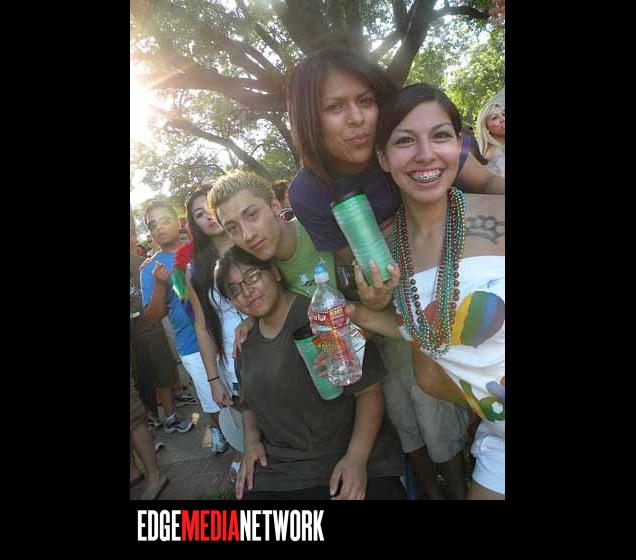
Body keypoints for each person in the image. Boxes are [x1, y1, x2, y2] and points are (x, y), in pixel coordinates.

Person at [286, 47, 478, 498]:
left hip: (452, 287)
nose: (356, 118)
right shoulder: (309, 192)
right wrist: (370, 296)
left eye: (365, 101)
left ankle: (457, 484)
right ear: (310, 119)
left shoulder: (408, 138)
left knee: (437, 410)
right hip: (389, 311)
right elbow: (350, 264)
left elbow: (484, 184)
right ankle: (428, 489)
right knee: (402, 409)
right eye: (335, 107)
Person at [347, 83, 505, 499]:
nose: (425, 154)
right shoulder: (384, 255)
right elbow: (425, 340)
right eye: (404, 141)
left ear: (459, 145)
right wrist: (360, 312)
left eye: (440, 136)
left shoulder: (499, 212)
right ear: (383, 158)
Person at [214, 246, 405, 500]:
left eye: (252, 276)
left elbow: (369, 391)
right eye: (235, 290)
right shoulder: (245, 341)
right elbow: (249, 403)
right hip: (282, 472)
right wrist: (251, 441)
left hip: (349, 460)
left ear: (275, 273)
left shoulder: (324, 315)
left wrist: (356, 458)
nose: (247, 291)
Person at [141, 200, 223, 437]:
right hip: (191, 344)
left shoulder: (202, 248)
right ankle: (220, 433)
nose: (159, 227)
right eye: (153, 225)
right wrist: (159, 285)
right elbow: (153, 317)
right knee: (213, 402)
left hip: (223, 331)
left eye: (165, 220)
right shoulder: (150, 268)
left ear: (179, 222)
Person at [183, 186, 244, 465]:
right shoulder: (195, 271)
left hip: (276, 342)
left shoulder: (251, 244)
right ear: (194, 224)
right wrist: (213, 380)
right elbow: (202, 327)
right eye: (199, 214)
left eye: (210, 208)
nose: (208, 216)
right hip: (233, 360)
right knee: (246, 420)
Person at [130, 225, 189, 436]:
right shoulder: (145, 263)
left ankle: (169, 415)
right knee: (140, 378)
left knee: (163, 368)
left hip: (152, 328)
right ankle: (150, 420)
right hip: (137, 332)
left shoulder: (144, 263)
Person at [476, 99, 505, 178]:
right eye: (495, 118)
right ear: (486, 128)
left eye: (503, 114)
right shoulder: (494, 153)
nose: (503, 119)